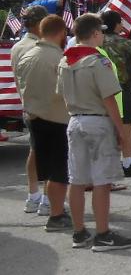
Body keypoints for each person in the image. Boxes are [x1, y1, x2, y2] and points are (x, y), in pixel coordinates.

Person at [57, 13, 131, 251]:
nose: (102, 36)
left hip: (75, 120)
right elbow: (109, 98)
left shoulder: (65, 60)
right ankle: (103, 234)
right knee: (102, 180)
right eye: (101, 32)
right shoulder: (97, 60)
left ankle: (79, 231)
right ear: (94, 34)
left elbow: (61, 93)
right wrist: (120, 129)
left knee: (77, 179)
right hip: (97, 121)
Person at [17, 15, 72, 232]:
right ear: (61, 33)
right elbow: (67, 92)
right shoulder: (60, 60)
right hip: (58, 119)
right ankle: (56, 216)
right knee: (59, 173)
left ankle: (50, 207)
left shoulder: (26, 55)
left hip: (34, 118)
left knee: (48, 170)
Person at [100, 11, 131, 177]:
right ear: (115, 24)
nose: (122, 26)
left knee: (107, 127)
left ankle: (108, 163)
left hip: (101, 90)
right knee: (126, 127)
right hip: (124, 89)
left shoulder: (97, 42)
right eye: (120, 22)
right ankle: (127, 163)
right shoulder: (123, 42)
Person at [11, 5, 49, 215]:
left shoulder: (18, 46)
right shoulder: (35, 47)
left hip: (28, 104)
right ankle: (45, 199)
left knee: (35, 151)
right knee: (48, 155)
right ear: (38, 24)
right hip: (42, 105)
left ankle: (33, 195)